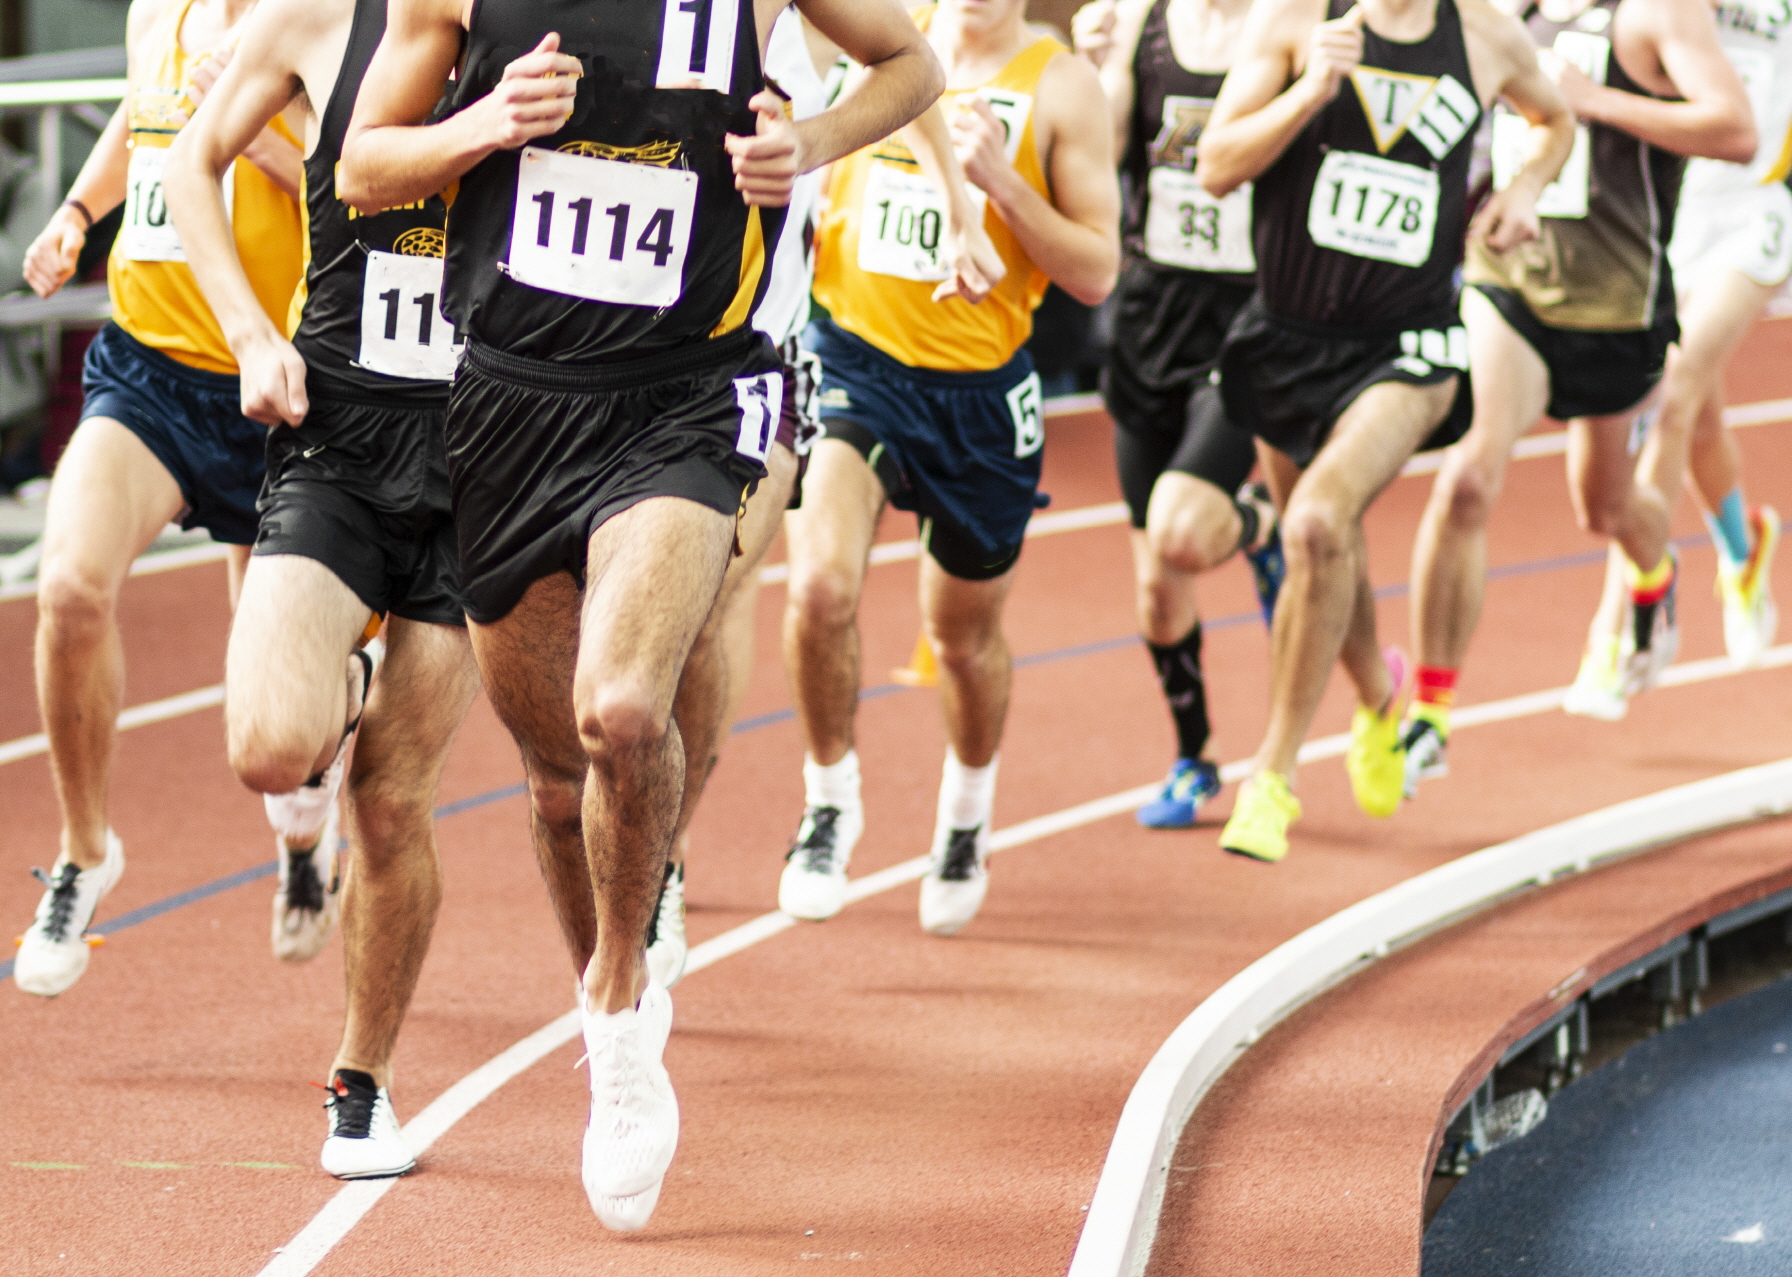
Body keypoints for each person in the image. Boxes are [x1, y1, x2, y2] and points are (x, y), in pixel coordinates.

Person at [337, 0, 942, 1230]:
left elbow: (912, 61)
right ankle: (608, 977)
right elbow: (360, 166)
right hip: (509, 404)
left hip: (682, 399)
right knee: (558, 782)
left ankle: (617, 1018)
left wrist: (811, 142)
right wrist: (483, 125)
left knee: (619, 707)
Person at [162, 0, 483, 1177]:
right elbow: (194, 159)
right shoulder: (310, 18)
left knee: (395, 801)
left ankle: (362, 1079)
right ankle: (342, 677)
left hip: (482, 459)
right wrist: (249, 332)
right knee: (267, 748)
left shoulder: (547, 26)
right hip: (335, 433)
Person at [647, 12, 1002, 987]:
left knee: (715, 592)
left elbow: (909, 75)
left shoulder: (799, 17)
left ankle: (663, 856)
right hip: (590, 356)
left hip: (754, 357)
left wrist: (960, 212)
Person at [1195, 0, 1574, 861]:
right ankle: (1377, 698)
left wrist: (1525, 185)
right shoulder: (1294, 20)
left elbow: (1556, 119)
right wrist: (1308, 92)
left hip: (1410, 345)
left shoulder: (1483, 33)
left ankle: (1273, 777)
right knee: (1328, 554)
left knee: (1319, 522)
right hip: (1287, 339)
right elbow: (1214, 166)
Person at [780, 0, 1119, 936]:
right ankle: (828, 800)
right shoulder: (877, 35)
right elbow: (909, 77)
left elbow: (1097, 271)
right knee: (816, 587)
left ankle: (966, 816)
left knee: (962, 639)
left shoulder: (1060, 86)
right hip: (854, 361)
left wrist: (1004, 189)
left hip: (979, 395)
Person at [13, 0, 306, 997]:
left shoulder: (320, 19)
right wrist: (78, 213)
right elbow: (144, 109)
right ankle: (85, 849)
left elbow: (363, 184)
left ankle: (304, 832)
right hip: (149, 375)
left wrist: (243, 127)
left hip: (280, 387)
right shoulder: (160, 7)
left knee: (276, 722)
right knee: (69, 589)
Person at [1405, 0, 1755, 762]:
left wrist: (1597, 101)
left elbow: (1735, 129)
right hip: (1510, 283)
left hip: (1615, 308)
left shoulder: (1656, 13)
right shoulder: (1496, 12)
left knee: (1605, 509)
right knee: (1466, 476)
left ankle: (1655, 572)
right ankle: (1429, 710)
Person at [1073, 0, 1287, 832]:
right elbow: (1103, 150)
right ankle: (1196, 755)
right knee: (1159, 588)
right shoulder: (1144, 23)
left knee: (1182, 532)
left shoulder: (1287, 27)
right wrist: (1092, 74)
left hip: (1246, 320)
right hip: (1152, 316)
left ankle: (1252, 523)